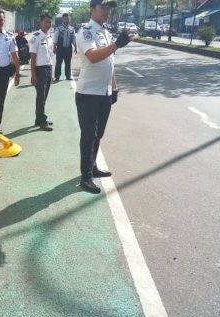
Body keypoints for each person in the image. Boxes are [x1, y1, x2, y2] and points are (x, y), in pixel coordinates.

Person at [75, 0, 133, 194]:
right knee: (88, 135)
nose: (107, 11)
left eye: (109, 8)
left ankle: (92, 167)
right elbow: (92, 56)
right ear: (92, 10)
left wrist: (114, 87)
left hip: (104, 93)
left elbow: (110, 62)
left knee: (98, 134)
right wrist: (117, 44)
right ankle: (85, 177)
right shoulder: (85, 31)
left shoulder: (106, 33)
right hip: (88, 94)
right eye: (103, 7)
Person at [29, 14, 55, 132]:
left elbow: (50, 56)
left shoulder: (49, 37)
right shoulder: (36, 37)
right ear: (40, 23)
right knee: (41, 97)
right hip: (39, 70)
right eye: (46, 22)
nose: (48, 24)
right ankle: (42, 121)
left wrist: (52, 73)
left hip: (48, 69)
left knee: (44, 96)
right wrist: (33, 75)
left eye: (49, 22)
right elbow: (33, 57)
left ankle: (38, 119)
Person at [53, 13, 77, 81]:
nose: (67, 20)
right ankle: (57, 76)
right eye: (65, 19)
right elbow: (55, 38)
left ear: (70, 19)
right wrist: (54, 47)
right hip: (60, 48)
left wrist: (75, 46)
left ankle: (68, 76)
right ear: (63, 19)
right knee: (58, 62)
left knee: (68, 62)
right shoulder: (59, 28)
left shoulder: (72, 29)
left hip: (68, 48)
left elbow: (74, 38)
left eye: (68, 19)